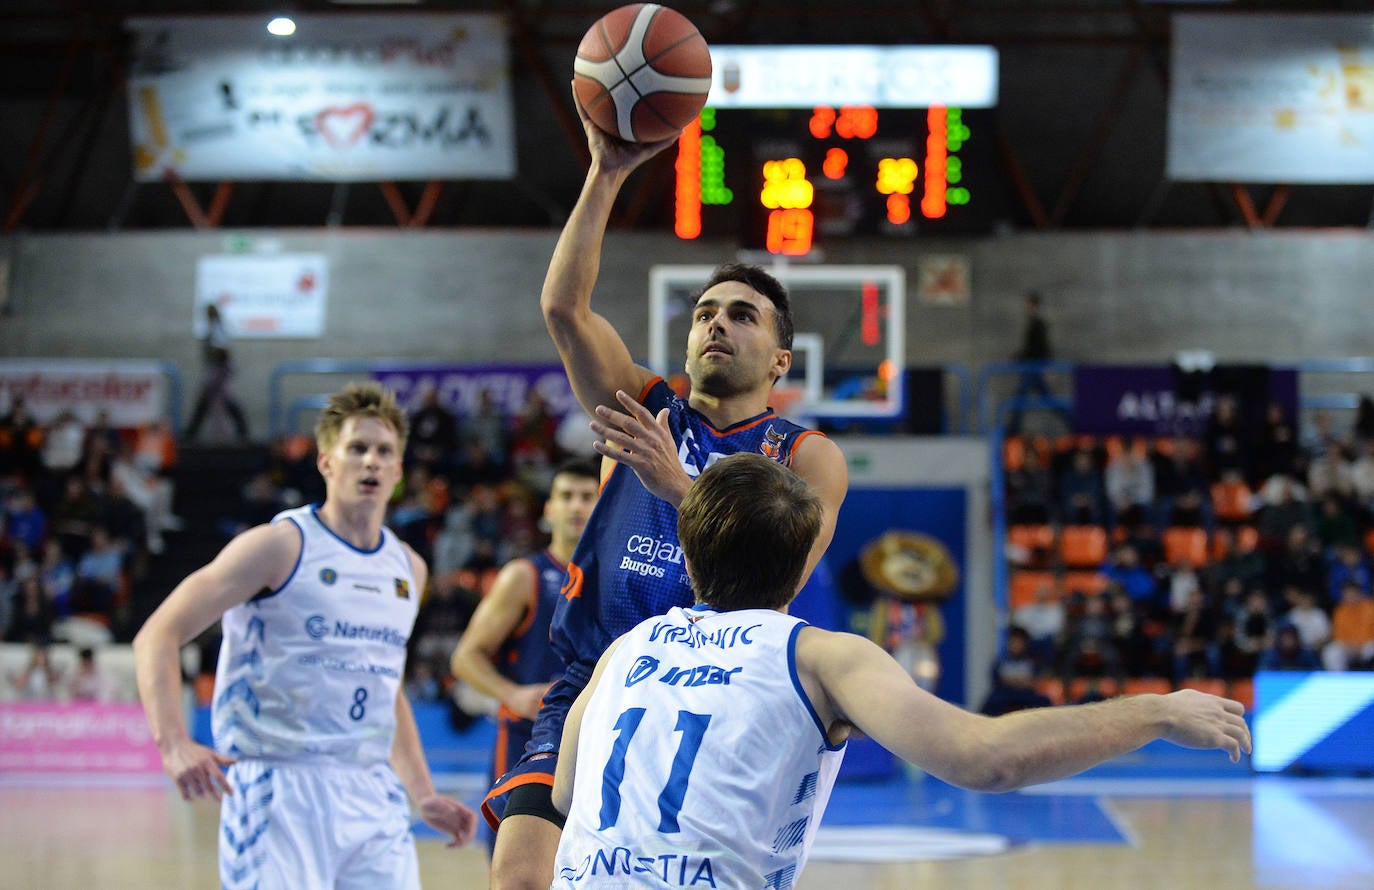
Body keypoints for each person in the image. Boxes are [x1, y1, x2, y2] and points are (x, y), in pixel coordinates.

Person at [550, 454, 1250, 889]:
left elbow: (565, 791)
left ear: (690, 558)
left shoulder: (626, 649)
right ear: (801, 567)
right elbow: (990, 760)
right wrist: (1156, 711)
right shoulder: (822, 656)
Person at [483, 88, 849, 890]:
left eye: (744, 316)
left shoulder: (808, 455)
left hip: (711, 693)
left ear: (782, 360)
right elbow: (562, 307)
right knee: (518, 877)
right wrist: (606, 171)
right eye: (707, 312)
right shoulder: (647, 406)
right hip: (591, 675)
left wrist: (675, 483)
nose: (718, 323)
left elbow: (783, 569)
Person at [132, 382, 477, 889]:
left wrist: (421, 792)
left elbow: (385, 685)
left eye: (385, 452)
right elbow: (157, 634)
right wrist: (172, 743)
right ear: (326, 463)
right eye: (357, 449)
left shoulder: (409, 568)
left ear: (400, 470)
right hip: (278, 784)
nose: (372, 462)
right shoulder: (279, 546)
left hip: (370, 789)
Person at [450, 457, 600, 850]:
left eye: (588, 496)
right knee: (516, 865)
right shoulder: (525, 575)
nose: (577, 506)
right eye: (566, 496)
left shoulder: (614, 576)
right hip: (528, 740)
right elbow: (466, 656)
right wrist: (512, 694)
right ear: (549, 509)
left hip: (593, 741)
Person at [184, 303, 249, 442]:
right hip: (217, 370)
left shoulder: (217, 329)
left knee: (210, 400)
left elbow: (222, 350)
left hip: (217, 371)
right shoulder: (217, 328)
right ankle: (191, 432)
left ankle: (190, 433)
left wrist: (217, 371)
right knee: (213, 401)